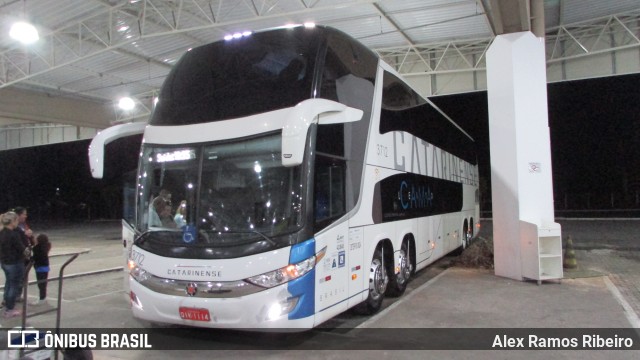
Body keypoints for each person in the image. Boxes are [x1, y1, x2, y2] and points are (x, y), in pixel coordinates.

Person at [0, 211, 26, 318]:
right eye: (16, 220)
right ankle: (10, 309)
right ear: (12, 221)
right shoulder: (13, 234)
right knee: (13, 286)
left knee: (8, 283)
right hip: (14, 262)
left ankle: (6, 303)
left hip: (4, 262)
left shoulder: (1, 232)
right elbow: (21, 249)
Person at [30, 233, 51, 306]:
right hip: (45, 266)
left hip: (39, 267)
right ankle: (43, 297)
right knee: (44, 283)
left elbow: (35, 257)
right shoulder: (46, 246)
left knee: (41, 284)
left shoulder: (37, 248)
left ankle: (42, 298)